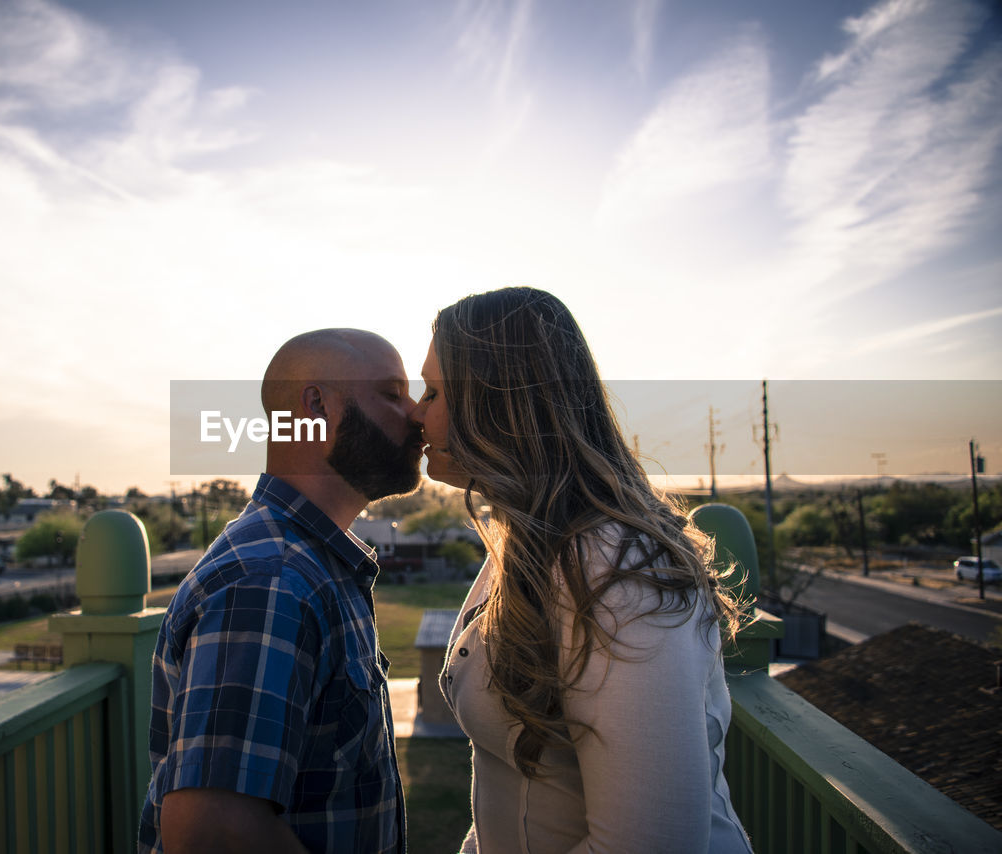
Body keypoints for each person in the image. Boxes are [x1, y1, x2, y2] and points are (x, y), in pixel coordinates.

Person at [411, 287, 753, 853]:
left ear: (500, 403)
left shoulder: (614, 573)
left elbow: (650, 845)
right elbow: (511, 800)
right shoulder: (529, 544)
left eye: (434, 392)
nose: (416, 414)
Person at [139, 328, 423, 854]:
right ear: (315, 405)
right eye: (392, 393)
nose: (416, 414)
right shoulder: (272, 581)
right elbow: (212, 833)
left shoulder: (310, 565)